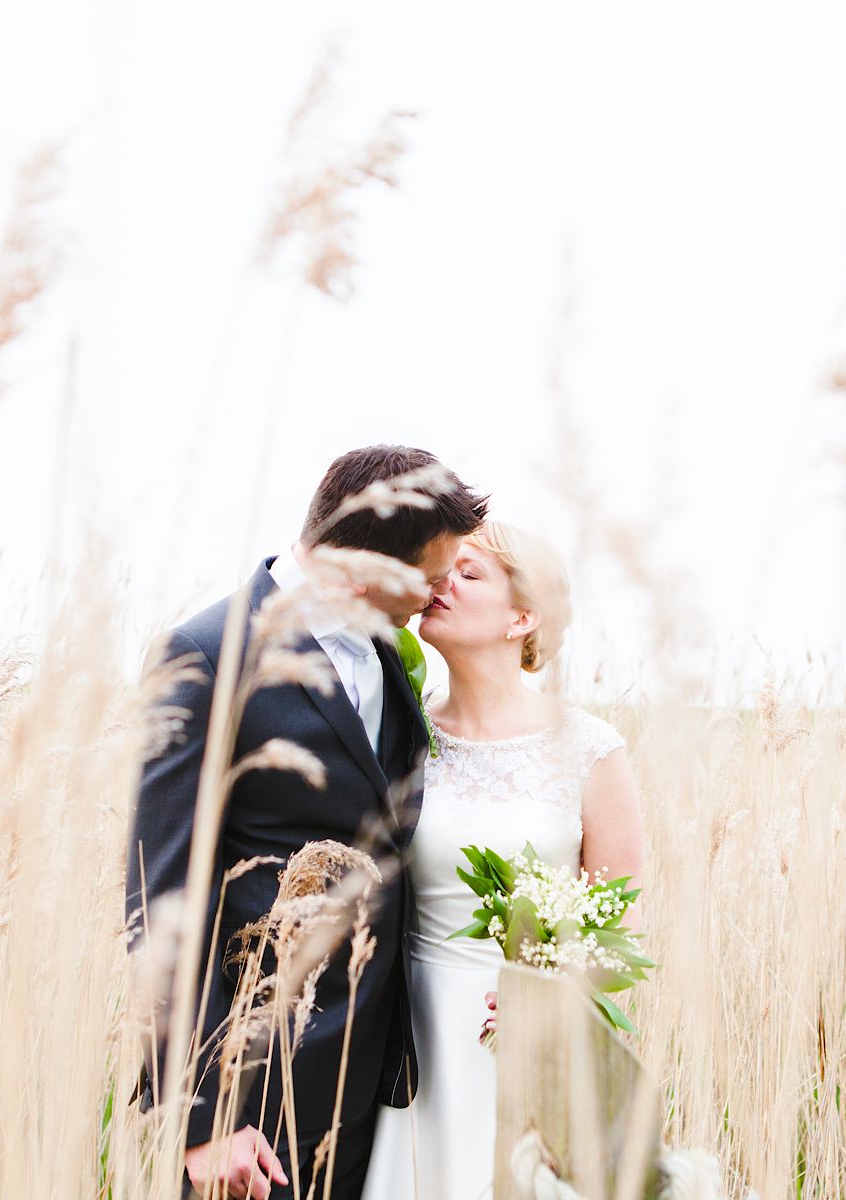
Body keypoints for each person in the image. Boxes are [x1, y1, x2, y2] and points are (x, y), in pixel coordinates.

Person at [126, 445, 488, 1200]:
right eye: (429, 578)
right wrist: (200, 1117)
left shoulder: (389, 655)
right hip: (256, 1095)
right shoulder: (205, 656)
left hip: (378, 1089)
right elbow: (158, 897)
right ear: (365, 570)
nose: (439, 596)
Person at [361, 520, 646, 1200]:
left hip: (526, 1050)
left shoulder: (588, 749)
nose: (441, 584)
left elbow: (616, 929)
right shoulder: (402, 741)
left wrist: (554, 1000)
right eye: (441, 570)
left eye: (468, 573)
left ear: (523, 615)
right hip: (410, 1044)